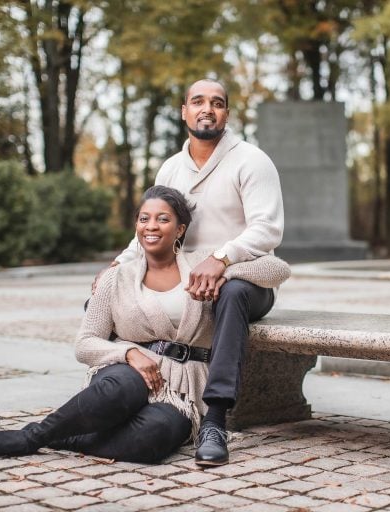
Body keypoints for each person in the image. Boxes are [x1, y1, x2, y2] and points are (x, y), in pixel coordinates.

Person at [0, 186, 290, 463]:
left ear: (180, 229)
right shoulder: (115, 278)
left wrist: (222, 270)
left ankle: (66, 437)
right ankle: (33, 437)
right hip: (127, 372)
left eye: (163, 219)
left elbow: (278, 269)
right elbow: (84, 344)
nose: (151, 226)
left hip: (179, 391)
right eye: (144, 219)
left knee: (155, 436)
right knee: (118, 390)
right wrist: (127, 355)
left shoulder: (201, 263)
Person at [104, 78, 284, 466]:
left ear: (227, 114)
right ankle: (121, 393)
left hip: (246, 279)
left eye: (217, 103)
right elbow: (154, 227)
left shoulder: (252, 161)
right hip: (184, 282)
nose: (208, 109)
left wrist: (221, 259)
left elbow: (267, 230)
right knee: (110, 294)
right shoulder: (171, 168)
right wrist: (118, 265)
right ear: (184, 111)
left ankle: (214, 418)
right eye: (198, 101)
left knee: (231, 293)